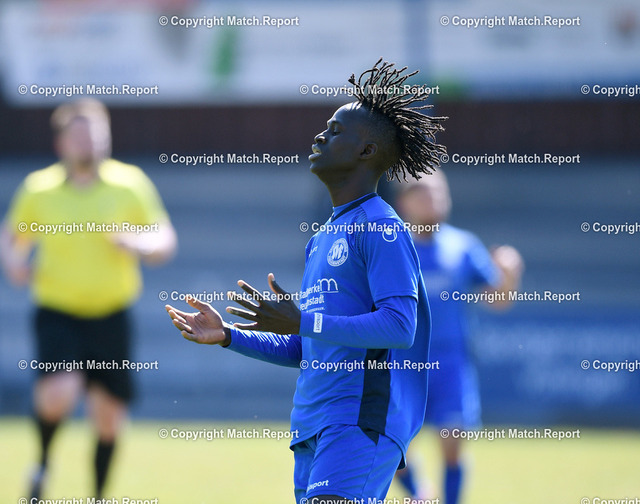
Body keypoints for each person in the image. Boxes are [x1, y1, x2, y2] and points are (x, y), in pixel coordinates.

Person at [165, 59, 447, 504]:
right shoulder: (322, 238)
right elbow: (308, 344)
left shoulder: (381, 226)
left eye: (335, 131)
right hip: (313, 425)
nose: (319, 137)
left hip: (359, 417)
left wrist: (304, 322)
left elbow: (399, 326)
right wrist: (228, 336)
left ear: (366, 151)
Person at [0, 98, 177, 500]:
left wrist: (140, 244)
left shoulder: (129, 183)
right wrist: (14, 262)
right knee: (59, 391)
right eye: (80, 136)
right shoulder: (39, 189)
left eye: (97, 135)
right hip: (58, 311)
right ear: (61, 143)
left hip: (111, 314)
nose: (90, 143)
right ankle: (42, 463)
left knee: (109, 418)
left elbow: (164, 237)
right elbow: (12, 236)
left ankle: (98, 495)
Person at [393, 170, 524, 504]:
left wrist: (510, 275)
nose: (433, 199)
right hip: (402, 363)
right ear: (404, 202)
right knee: (393, 448)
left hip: (451, 362)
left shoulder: (463, 246)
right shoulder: (393, 247)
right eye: (423, 192)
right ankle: (421, 495)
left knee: (453, 443)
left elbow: (498, 300)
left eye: (439, 192)